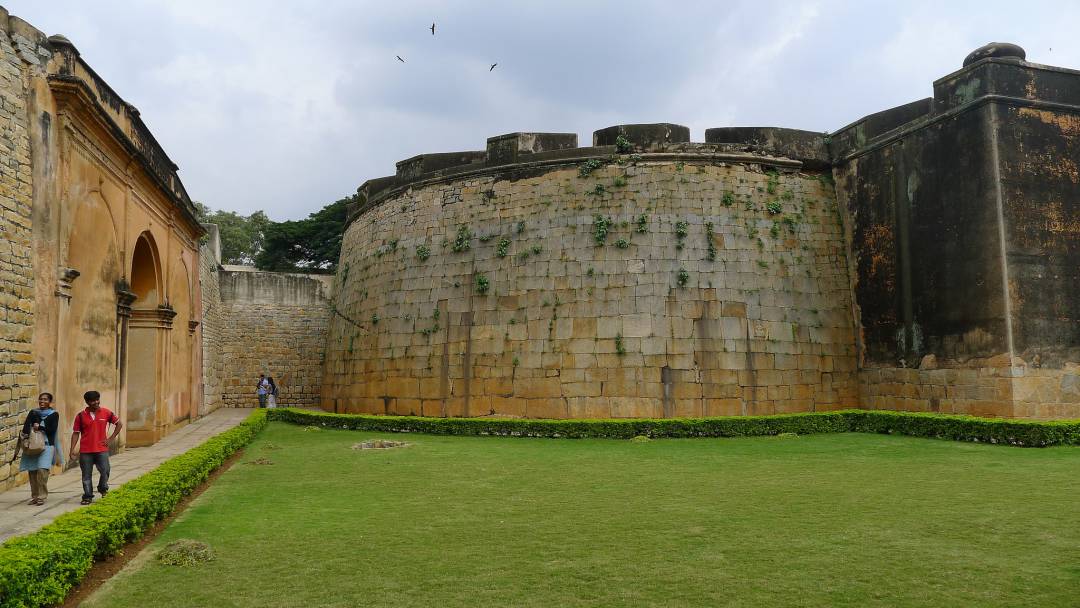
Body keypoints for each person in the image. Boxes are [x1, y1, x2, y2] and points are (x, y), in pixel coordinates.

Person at [69, 390, 122, 505]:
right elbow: (76, 433)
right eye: (93, 400)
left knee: (105, 471)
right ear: (87, 402)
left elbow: (119, 424)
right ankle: (87, 496)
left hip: (101, 449)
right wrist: (72, 449)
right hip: (85, 451)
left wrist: (111, 438)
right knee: (86, 475)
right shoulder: (80, 416)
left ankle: (103, 489)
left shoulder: (106, 413)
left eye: (97, 399)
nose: (96, 402)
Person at [10, 393, 64, 506]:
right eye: (41, 399)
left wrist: (40, 427)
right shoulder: (33, 412)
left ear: (50, 402)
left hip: (47, 445)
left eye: (45, 399)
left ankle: (42, 496)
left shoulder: (54, 414)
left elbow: (52, 430)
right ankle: (35, 496)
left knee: (42, 470)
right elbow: (25, 426)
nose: (42, 401)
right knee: (33, 471)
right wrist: (25, 434)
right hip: (33, 445)